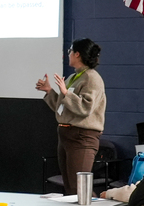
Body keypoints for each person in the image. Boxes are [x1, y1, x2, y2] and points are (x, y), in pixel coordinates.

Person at [37, 39, 106, 196]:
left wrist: (67, 93)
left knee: (79, 188)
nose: (68, 54)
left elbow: (85, 108)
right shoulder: (73, 77)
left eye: (70, 51)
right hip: (66, 135)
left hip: (82, 137)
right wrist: (49, 91)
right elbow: (63, 107)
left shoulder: (92, 78)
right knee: (69, 186)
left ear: (77, 54)